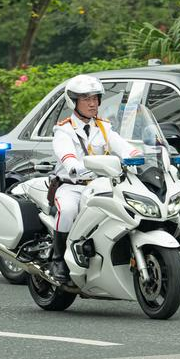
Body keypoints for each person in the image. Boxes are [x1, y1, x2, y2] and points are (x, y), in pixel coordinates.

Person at [49, 75, 118, 282]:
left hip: (99, 185)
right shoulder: (64, 130)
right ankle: (58, 258)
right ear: (73, 101)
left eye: (95, 98)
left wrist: (139, 157)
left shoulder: (104, 127)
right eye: (86, 98)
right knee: (68, 210)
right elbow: (67, 157)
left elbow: (124, 147)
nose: (93, 103)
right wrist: (74, 167)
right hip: (72, 186)